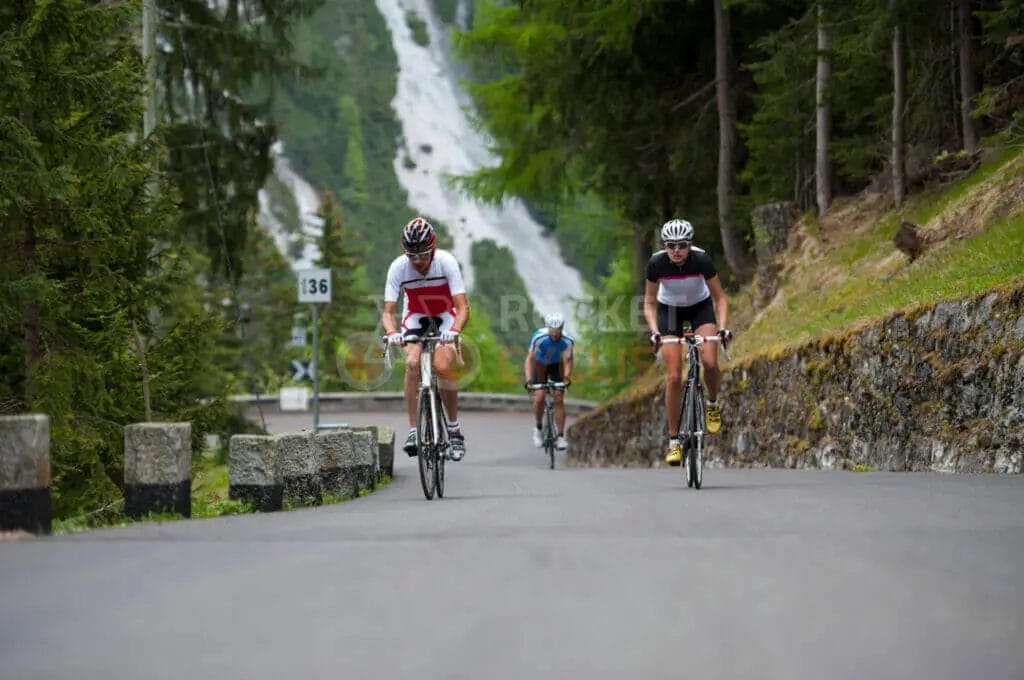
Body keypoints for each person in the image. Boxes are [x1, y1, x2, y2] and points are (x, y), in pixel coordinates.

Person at [643, 218, 732, 466]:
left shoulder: (701, 260)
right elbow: (649, 303)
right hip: (669, 311)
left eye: (682, 245)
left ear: (690, 245)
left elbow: (721, 299)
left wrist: (723, 329)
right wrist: (654, 332)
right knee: (673, 377)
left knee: (711, 363)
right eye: (670, 245)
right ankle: (674, 441)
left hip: (700, 309)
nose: (676, 250)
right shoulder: (656, 263)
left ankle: (712, 403)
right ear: (665, 246)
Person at [382, 217, 471, 461]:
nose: (418, 261)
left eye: (423, 255)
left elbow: (463, 307)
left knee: (442, 366)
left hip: (444, 316)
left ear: (433, 249)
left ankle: (454, 431)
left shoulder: (446, 262)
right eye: (412, 256)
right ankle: (413, 431)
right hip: (416, 316)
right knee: (412, 364)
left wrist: (454, 331)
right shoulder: (398, 267)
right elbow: (388, 312)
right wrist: (392, 333)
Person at [523, 312, 575, 450]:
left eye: (557, 330)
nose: (555, 333)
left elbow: (568, 361)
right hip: (539, 365)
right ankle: (538, 428)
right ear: (547, 328)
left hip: (556, 366)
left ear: (562, 328)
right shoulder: (539, 337)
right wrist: (528, 380)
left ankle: (561, 436)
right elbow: (529, 359)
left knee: (558, 398)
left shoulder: (568, 340)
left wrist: (567, 378)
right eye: (552, 330)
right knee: (539, 397)